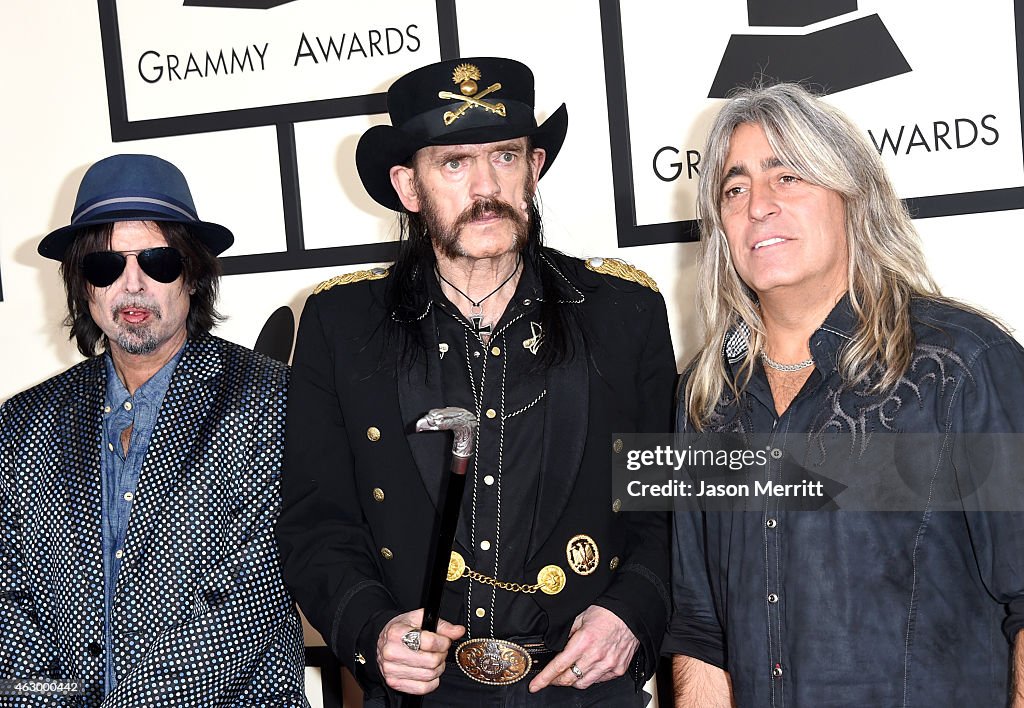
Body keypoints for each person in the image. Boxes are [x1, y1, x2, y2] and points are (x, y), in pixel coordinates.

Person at [276, 57, 676, 705]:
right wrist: (371, 630)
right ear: (409, 187)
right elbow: (318, 525)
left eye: (505, 157)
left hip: (582, 685)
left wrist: (632, 611)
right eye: (455, 163)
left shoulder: (622, 312)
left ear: (534, 168)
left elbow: (667, 507)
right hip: (424, 694)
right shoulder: (340, 324)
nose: (485, 186)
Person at [667, 82, 1024, 706]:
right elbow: (699, 631)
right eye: (736, 188)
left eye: (789, 177)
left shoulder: (965, 365)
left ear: (852, 197)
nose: (758, 206)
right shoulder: (705, 396)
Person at [0, 154, 308, 706]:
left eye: (159, 262)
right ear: (83, 285)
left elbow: (245, 597)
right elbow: (15, 604)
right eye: (105, 266)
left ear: (191, 273)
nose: (132, 284)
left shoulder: (268, 398)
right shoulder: (24, 422)